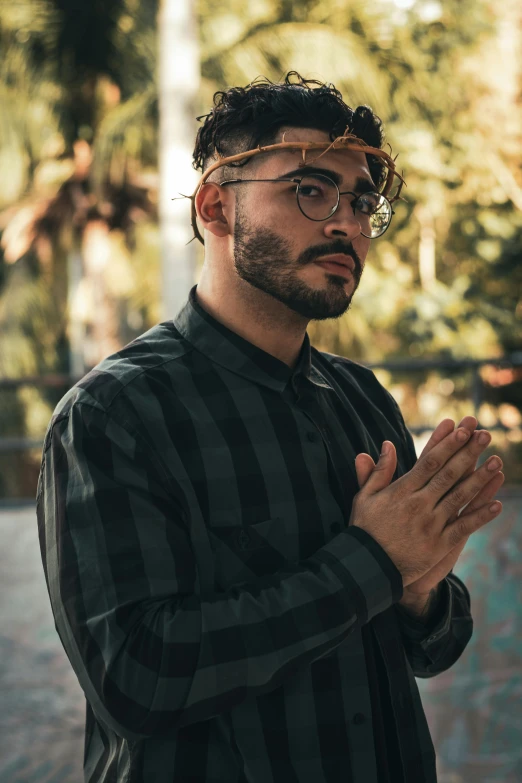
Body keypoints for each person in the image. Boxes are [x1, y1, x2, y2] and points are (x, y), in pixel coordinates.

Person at [36, 72, 502, 783]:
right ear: (218, 207)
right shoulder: (116, 415)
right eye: (311, 188)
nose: (345, 221)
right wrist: (374, 562)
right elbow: (136, 677)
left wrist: (420, 589)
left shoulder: (362, 399)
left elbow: (430, 649)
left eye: (361, 199)